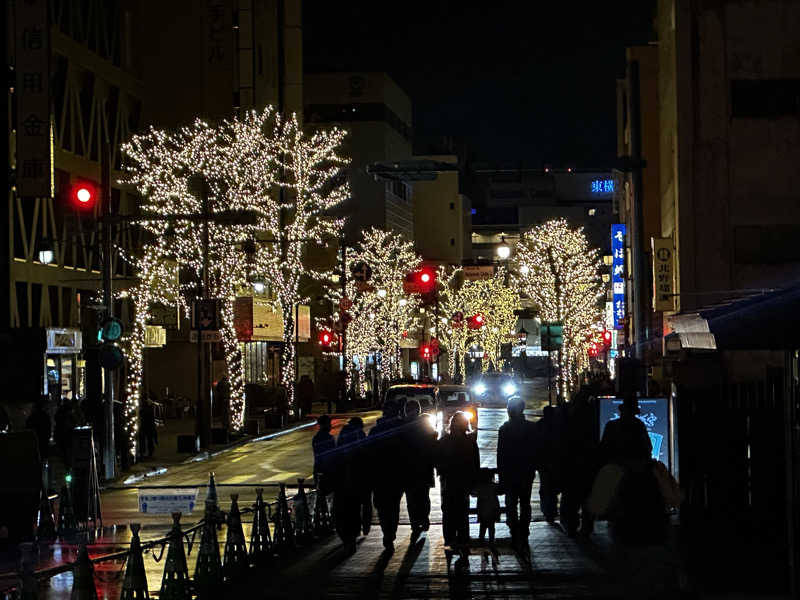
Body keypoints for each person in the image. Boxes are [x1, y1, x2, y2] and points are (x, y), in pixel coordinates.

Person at [497, 396, 538, 548]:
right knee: (525, 502)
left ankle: (514, 530)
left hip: (510, 472)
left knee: (511, 503)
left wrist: (501, 475)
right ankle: (524, 530)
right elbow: (536, 450)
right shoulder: (532, 428)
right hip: (526, 470)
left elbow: (501, 455)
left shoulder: (505, 429)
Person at [436, 412, 480, 550]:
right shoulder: (470, 442)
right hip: (464, 482)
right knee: (462, 511)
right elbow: (475, 463)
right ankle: (463, 537)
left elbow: (438, 462)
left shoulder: (443, 441)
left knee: (448, 511)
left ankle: (450, 538)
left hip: (449, 482)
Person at [367, 399, 405, 553]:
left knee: (383, 506)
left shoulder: (376, 431)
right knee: (393, 506)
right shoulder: (400, 431)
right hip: (394, 475)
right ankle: (390, 533)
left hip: (380, 476)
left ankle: (387, 533)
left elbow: (368, 453)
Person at [561, 392, 599, 536]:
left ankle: (572, 524)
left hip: (573, 463)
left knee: (572, 497)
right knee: (587, 497)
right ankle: (587, 525)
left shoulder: (569, 418)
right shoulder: (591, 417)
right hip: (588, 464)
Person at [402, 399, 437, 539]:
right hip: (423, 468)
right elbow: (433, 443)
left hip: (410, 469)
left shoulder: (403, 427)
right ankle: (422, 519)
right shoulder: (424, 425)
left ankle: (416, 523)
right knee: (422, 497)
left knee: (413, 499)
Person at [333, 417, 367, 554]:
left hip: (344, 485)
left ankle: (348, 538)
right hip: (355, 483)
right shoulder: (360, 440)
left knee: (343, 511)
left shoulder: (343, 441)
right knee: (353, 510)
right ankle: (351, 537)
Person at [599, 396, 652, 465]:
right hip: (634, 467)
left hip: (615, 466)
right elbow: (647, 448)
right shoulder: (638, 425)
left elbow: (603, 449)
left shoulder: (611, 425)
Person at [536, 405, 565, 525]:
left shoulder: (539, 425)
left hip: (544, 462)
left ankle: (548, 512)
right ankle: (551, 512)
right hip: (556, 461)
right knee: (553, 489)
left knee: (546, 488)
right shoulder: (559, 426)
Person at [473, 468, 500, 544]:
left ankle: (481, 539)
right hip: (492, 509)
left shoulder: (479, 487)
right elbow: (501, 490)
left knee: (483, 526)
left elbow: (473, 493)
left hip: (482, 510)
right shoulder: (494, 486)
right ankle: (492, 539)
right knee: (491, 526)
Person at [312, 415, 336, 496]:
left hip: (319, 469)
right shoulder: (328, 438)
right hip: (326, 471)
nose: (330, 426)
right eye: (329, 424)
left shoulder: (316, 438)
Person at [54, 397, 75, 469]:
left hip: (62, 436)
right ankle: (68, 467)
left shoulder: (60, 412)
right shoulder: (70, 413)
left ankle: (66, 467)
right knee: (68, 453)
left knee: (63, 454)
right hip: (68, 436)